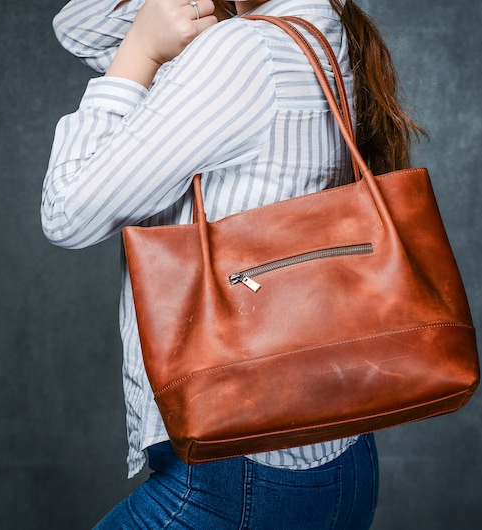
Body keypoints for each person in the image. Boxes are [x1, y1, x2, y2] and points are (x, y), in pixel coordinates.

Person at [42, 0, 424, 527]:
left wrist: (140, 50)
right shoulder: (322, 25)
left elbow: (69, 215)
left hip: (233, 476)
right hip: (339, 458)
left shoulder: (241, 50)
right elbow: (80, 24)